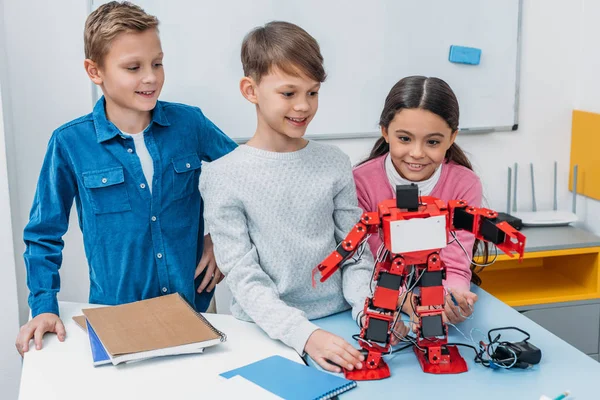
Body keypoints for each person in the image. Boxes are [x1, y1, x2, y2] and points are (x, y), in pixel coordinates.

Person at [15, 1, 236, 356]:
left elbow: (248, 177)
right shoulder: (70, 143)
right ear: (94, 70)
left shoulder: (189, 124)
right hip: (117, 317)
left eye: (157, 63)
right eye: (133, 67)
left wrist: (222, 241)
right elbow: (43, 234)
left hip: (194, 308)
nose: (150, 77)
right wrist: (43, 306)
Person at [201, 21, 376, 373]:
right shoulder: (223, 176)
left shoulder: (334, 163)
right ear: (250, 90)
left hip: (344, 321)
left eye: (312, 93)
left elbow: (356, 253)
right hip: (266, 332)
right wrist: (305, 335)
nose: (304, 106)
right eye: (289, 93)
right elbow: (243, 275)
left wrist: (369, 311)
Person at [353, 76, 484, 328]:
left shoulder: (465, 184)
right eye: (404, 139)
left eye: (433, 142)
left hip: (431, 300)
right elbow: (366, 263)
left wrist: (453, 298)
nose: (417, 153)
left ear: (452, 137)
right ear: (385, 131)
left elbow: (456, 263)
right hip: (380, 300)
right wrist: (405, 301)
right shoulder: (361, 182)